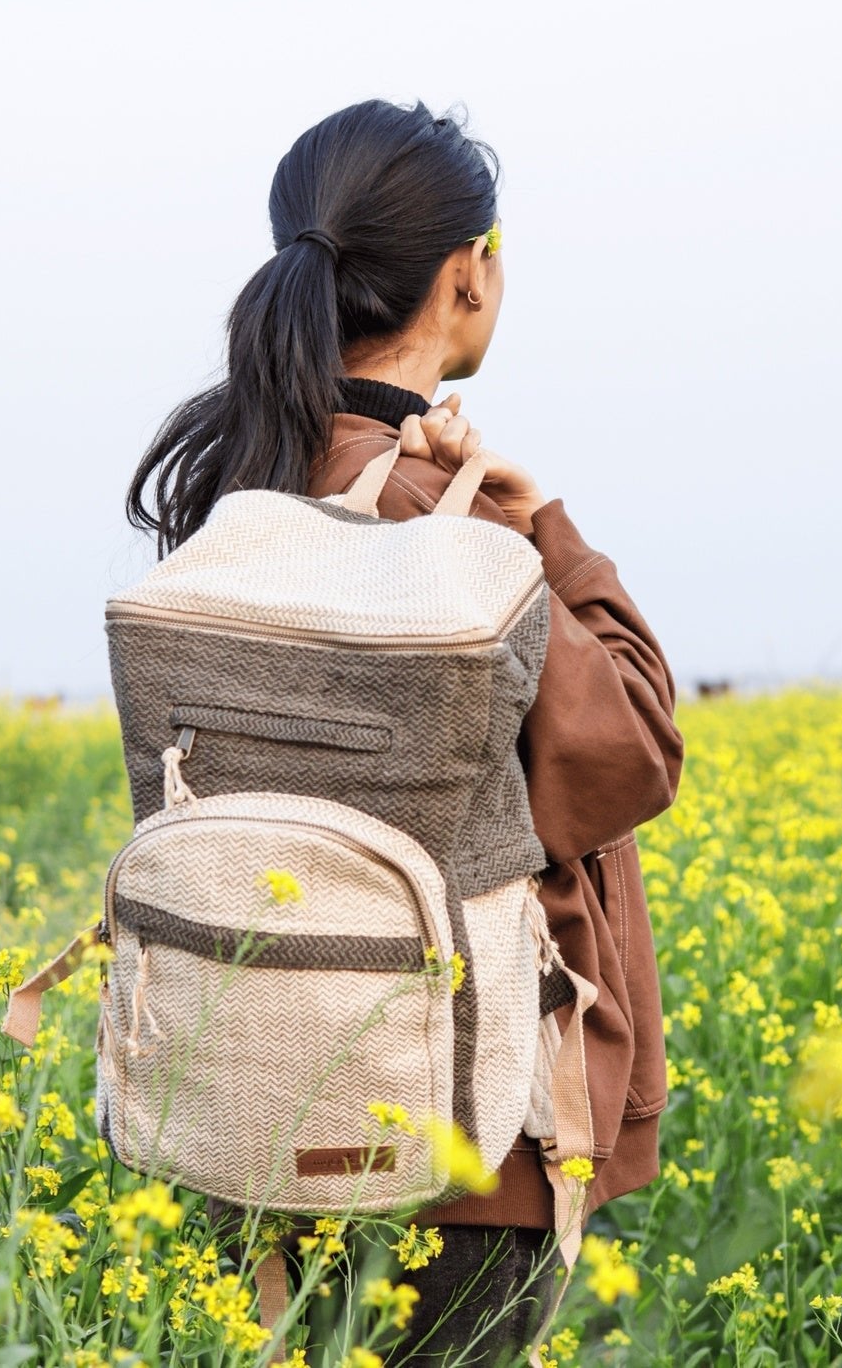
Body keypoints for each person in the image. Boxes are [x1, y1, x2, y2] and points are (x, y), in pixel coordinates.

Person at [126, 98, 684, 1365]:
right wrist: (546, 532)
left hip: (249, 1102)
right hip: (458, 1130)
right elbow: (635, 752)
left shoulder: (234, 494)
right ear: (465, 274)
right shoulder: (450, 525)